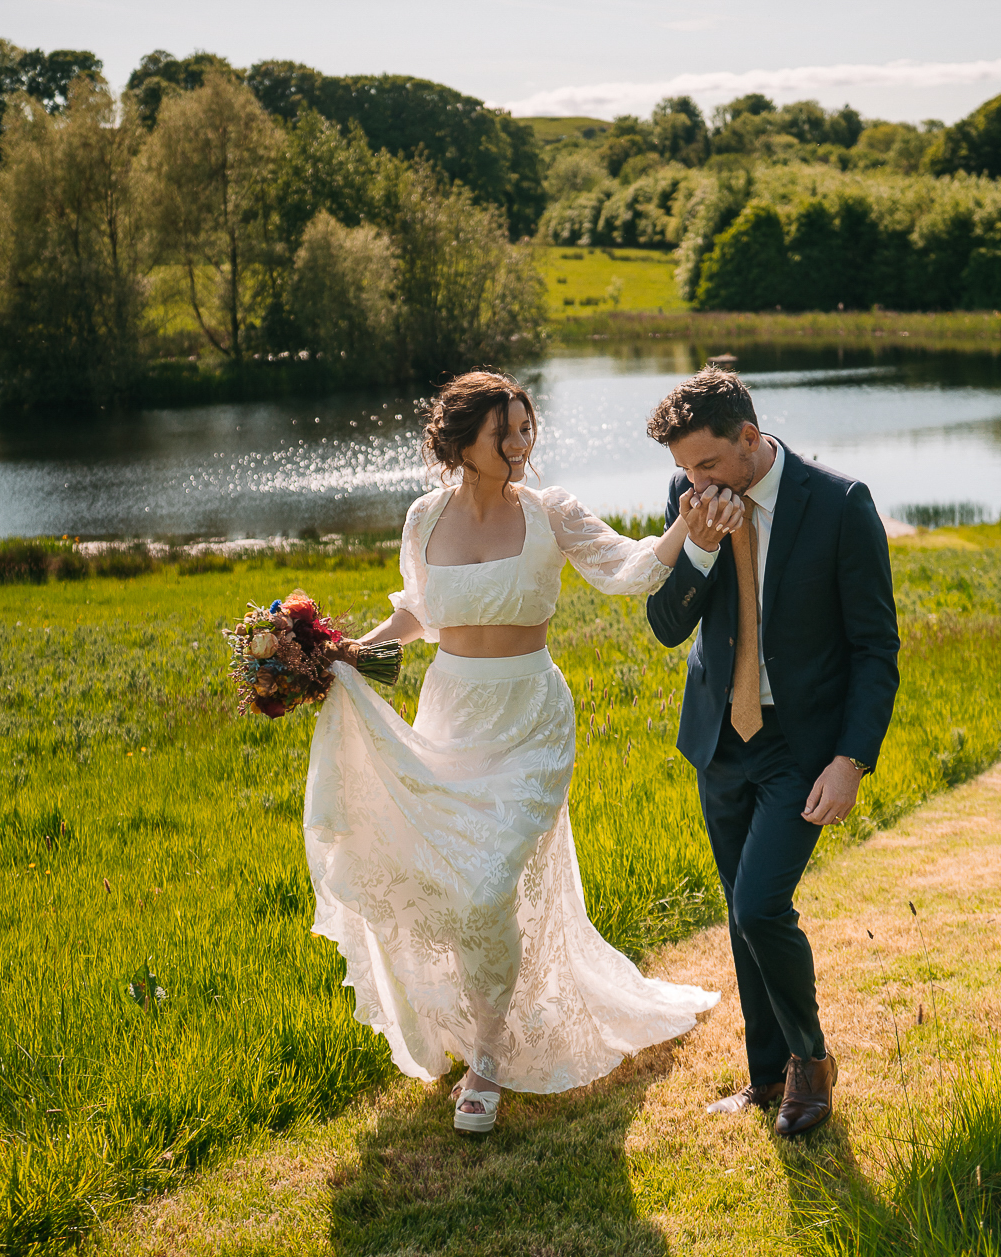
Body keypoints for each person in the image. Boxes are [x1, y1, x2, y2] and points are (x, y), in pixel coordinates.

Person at [305, 370, 730, 1135]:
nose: (520, 445)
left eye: (526, 429)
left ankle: (488, 1058)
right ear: (460, 442)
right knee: (450, 883)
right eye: (505, 432)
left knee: (486, 885)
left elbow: (628, 568)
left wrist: (688, 529)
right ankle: (470, 1025)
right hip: (452, 713)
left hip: (531, 716)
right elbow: (418, 612)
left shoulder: (550, 512)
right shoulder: (423, 518)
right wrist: (343, 652)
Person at [644, 366, 900, 1138]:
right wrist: (697, 549)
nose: (694, 483)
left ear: (750, 439)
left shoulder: (840, 504)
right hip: (718, 738)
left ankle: (810, 1061)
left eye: (708, 464)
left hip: (802, 745)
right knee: (739, 910)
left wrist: (851, 759)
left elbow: (875, 648)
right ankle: (764, 1079)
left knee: (761, 905)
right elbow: (665, 625)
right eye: (683, 470)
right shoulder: (690, 501)